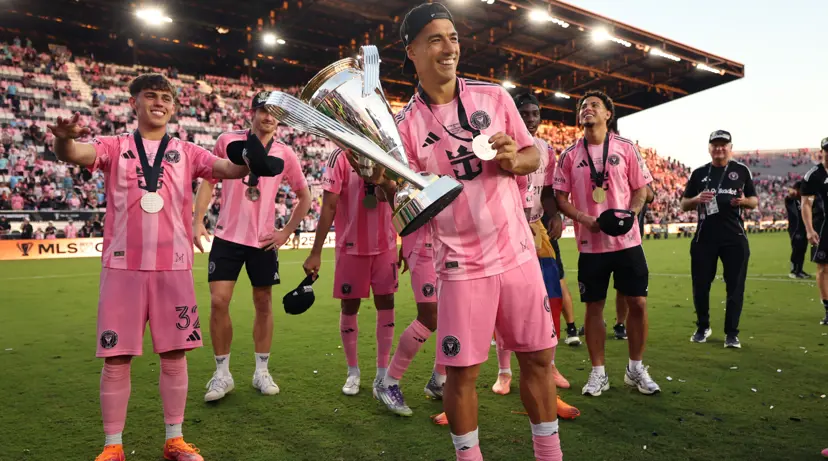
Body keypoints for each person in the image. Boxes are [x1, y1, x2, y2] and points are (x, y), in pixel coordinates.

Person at [370, 3, 563, 459]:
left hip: (517, 254)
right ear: (412, 51)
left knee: (538, 360)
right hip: (460, 267)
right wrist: (385, 181)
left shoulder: (494, 98)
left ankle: (549, 455)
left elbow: (534, 155)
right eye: (435, 39)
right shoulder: (403, 128)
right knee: (463, 373)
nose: (448, 47)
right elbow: (401, 204)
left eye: (453, 37)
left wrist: (516, 158)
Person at [48, 73, 257, 461]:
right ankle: (113, 446)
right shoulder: (114, 146)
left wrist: (250, 160)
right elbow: (73, 154)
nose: (158, 103)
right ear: (134, 102)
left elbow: (226, 170)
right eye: (150, 96)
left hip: (173, 269)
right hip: (122, 269)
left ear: (173, 106)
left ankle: (174, 440)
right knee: (116, 357)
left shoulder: (188, 152)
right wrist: (63, 139)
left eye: (165, 97)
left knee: (175, 355)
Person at [192, 91, 311, 402]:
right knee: (219, 302)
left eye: (274, 113)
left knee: (264, 304)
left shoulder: (286, 153)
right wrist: (198, 219)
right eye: (263, 110)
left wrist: (285, 232)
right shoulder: (227, 141)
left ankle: (261, 370)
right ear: (253, 112)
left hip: (262, 240)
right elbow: (208, 180)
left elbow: (305, 196)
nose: (268, 117)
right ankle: (222, 373)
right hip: (227, 236)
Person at [553, 90, 660, 397]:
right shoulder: (569, 155)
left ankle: (635, 368)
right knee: (594, 308)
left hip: (627, 243)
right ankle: (598, 372)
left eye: (594, 106)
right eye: (583, 106)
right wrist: (583, 218)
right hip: (591, 245)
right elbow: (560, 198)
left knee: (638, 303)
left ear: (607, 115)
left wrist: (633, 213)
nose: (587, 109)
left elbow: (642, 188)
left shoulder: (626, 148)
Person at [486, 92, 579, 419]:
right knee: (503, 302)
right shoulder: (496, 145)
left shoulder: (546, 151)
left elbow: (551, 192)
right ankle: (504, 371)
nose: (529, 117)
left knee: (549, 297)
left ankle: (549, 364)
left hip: (537, 227)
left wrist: (557, 216)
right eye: (523, 112)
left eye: (534, 113)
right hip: (504, 230)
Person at [302, 147, 398, 398]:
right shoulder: (340, 155)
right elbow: (329, 206)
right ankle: (353, 371)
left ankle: (381, 372)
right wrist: (316, 251)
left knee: (387, 303)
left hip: (385, 245)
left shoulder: (389, 150)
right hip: (350, 246)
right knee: (349, 307)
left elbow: (400, 195)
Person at [680, 130, 757, 348]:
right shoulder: (699, 173)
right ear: (709, 148)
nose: (719, 148)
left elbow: (754, 201)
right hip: (704, 239)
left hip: (734, 238)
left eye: (724, 145)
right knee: (701, 285)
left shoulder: (741, 171)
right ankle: (702, 327)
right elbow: (684, 204)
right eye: (715, 145)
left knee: (735, 287)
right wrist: (697, 199)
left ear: (730, 147)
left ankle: (731, 333)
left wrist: (742, 202)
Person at [800, 137, 828, 326]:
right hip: (823, 225)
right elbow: (805, 204)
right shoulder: (813, 175)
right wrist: (809, 230)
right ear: (822, 151)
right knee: (823, 267)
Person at [785, 180, 809, 279]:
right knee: (796, 250)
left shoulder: (804, 200)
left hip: (804, 229)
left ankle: (800, 269)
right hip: (795, 229)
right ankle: (793, 270)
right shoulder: (792, 201)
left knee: (802, 250)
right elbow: (789, 196)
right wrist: (792, 192)